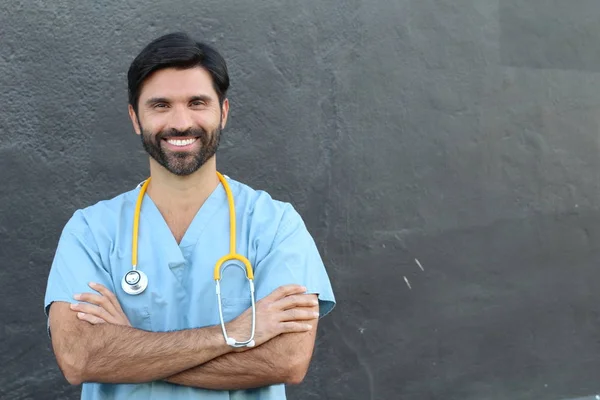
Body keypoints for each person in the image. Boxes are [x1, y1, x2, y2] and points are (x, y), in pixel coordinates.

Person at [43, 32, 336, 399]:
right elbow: (79, 358)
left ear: (223, 112)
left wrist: (130, 348)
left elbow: (286, 360)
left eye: (197, 102)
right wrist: (237, 332)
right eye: (160, 105)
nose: (181, 122)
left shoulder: (276, 225)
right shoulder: (89, 231)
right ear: (136, 118)